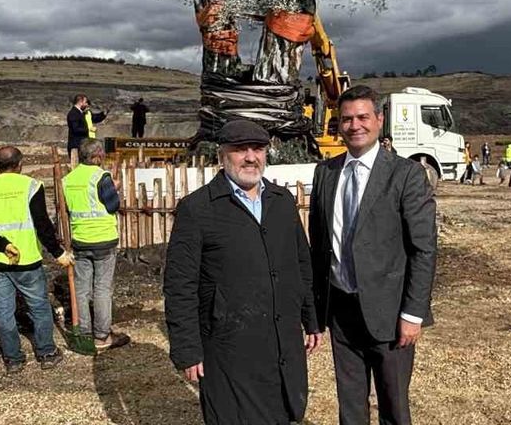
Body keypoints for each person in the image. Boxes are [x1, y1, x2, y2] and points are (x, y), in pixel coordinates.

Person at [164, 120, 320, 425]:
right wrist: (186, 348)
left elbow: (301, 263)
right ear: (222, 155)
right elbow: (179, 284)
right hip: (228, 346)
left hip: (280, 339)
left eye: (258, 149)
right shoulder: (197, 209)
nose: (251, 157)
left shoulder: (282, 202)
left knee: (282, 412)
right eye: (240, 149)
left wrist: (310, 317)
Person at [308, 86, 436, 425]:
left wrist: (413, 313)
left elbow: (423, 248)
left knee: (394, 406)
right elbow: (318, 246)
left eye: (363, 117)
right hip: (341, 311)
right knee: (350, 406)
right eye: (346, 119)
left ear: (379, 120)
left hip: (390, 313)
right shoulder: (325, 173)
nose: (355, 125)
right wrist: (315, 311)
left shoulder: (406, 175)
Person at [0, 146, 73, 374]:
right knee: (39, 307)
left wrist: (2, 246)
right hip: (27, 261)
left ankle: (13, 359)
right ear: (20, 163)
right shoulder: (31, 186)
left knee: (4, 312)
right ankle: (46, 353)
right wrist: (58, 253)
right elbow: (42, 224)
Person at [60, 138, 130, 351]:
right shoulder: (101, 177)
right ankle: (102, 336)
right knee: (101, 288)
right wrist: (115, 188)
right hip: (103, 240)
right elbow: (112, 205)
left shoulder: (68, 179)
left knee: (81, 289)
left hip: (80, 240)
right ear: (97, 155)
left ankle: (84, 332)